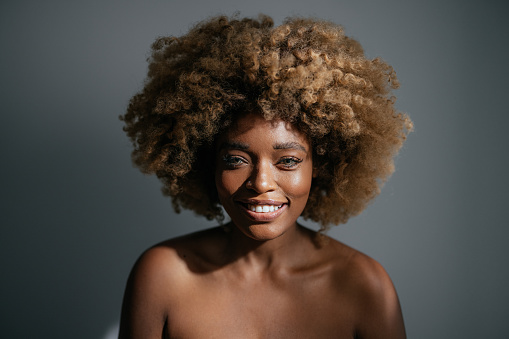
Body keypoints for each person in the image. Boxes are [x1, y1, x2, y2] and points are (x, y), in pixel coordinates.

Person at [119, 14, 412, 339]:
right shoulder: (163, 276)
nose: (260, 182)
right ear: (205, 163)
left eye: (287, 161)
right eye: (236, 159)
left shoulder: (363, 286)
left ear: (321, 165)